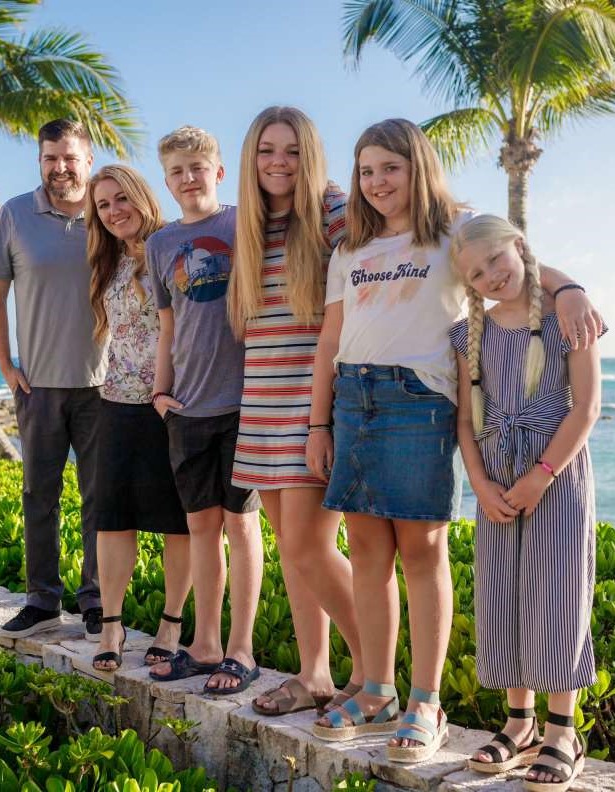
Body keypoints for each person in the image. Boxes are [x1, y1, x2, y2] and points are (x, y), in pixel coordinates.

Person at [306, 118, 600, 762]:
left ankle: (426, 701)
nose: (378, 181)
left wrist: (571, 286)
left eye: (391, 167)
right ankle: (377, 687)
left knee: (421, 550)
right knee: (368, 550)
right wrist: (318, 421)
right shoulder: (348, 250)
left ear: (417, 167)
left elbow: (513, 263)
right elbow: (331, 339)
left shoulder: (449, 232)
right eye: (367, 171)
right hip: (355, 399)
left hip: (420, 402)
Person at [450, 214, 600, 791]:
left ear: (520, 247)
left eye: (497, 260)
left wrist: (541, 475)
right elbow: (465, 420)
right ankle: (521, 722)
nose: (492, 276)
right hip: (495, 477)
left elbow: (585, 407)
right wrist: (481, 486)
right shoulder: (468, 334)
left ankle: (564, 730)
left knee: (557, 590)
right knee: (505, 591)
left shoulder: (567, 317)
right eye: (477, 272)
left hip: (554, 475)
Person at [226, 106, 364, 716]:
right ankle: (315, 676)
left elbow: (417, 240)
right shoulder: (249, 226)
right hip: (261, 404)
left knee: (311, 548)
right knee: (294, 552)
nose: (278, 163)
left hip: (314, 405)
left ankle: (378, 674)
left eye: (291, 151)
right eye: (266, 150)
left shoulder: (333, 210)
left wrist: (559, 285)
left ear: (310, 157)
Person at [146, 125, 263, 694]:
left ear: (218, 172)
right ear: (166, 181)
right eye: (176, 171)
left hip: (245, 403)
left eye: (197, 167)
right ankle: (205, 643)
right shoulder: (161, 244)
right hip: (187, 408)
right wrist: (161, 395)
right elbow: (168, 326)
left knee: (241, 525)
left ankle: (242, 649)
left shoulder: (244, 223)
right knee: (201, 529)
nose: (188, 178)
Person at [0, 119, 105, 639]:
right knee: (40, 494)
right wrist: (7, 367)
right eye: (50, 158)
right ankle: (41, 600)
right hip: (37, 386)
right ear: (40, 161)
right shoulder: (15, 214)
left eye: (69, 158)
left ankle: (100, 600)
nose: (60, 168)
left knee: (100, 496)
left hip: (103, 385)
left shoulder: (110, 211)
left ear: (88, 160)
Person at [85, 164, 191, 671]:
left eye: (121, 198)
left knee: (180, 523)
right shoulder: (106, 261)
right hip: (118, 401)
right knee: (112, 519)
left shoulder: (172, 246)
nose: (113, 211)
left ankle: (172, 624)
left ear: (142, 196)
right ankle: (112, 625)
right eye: (103, 205)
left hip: (175, 402)